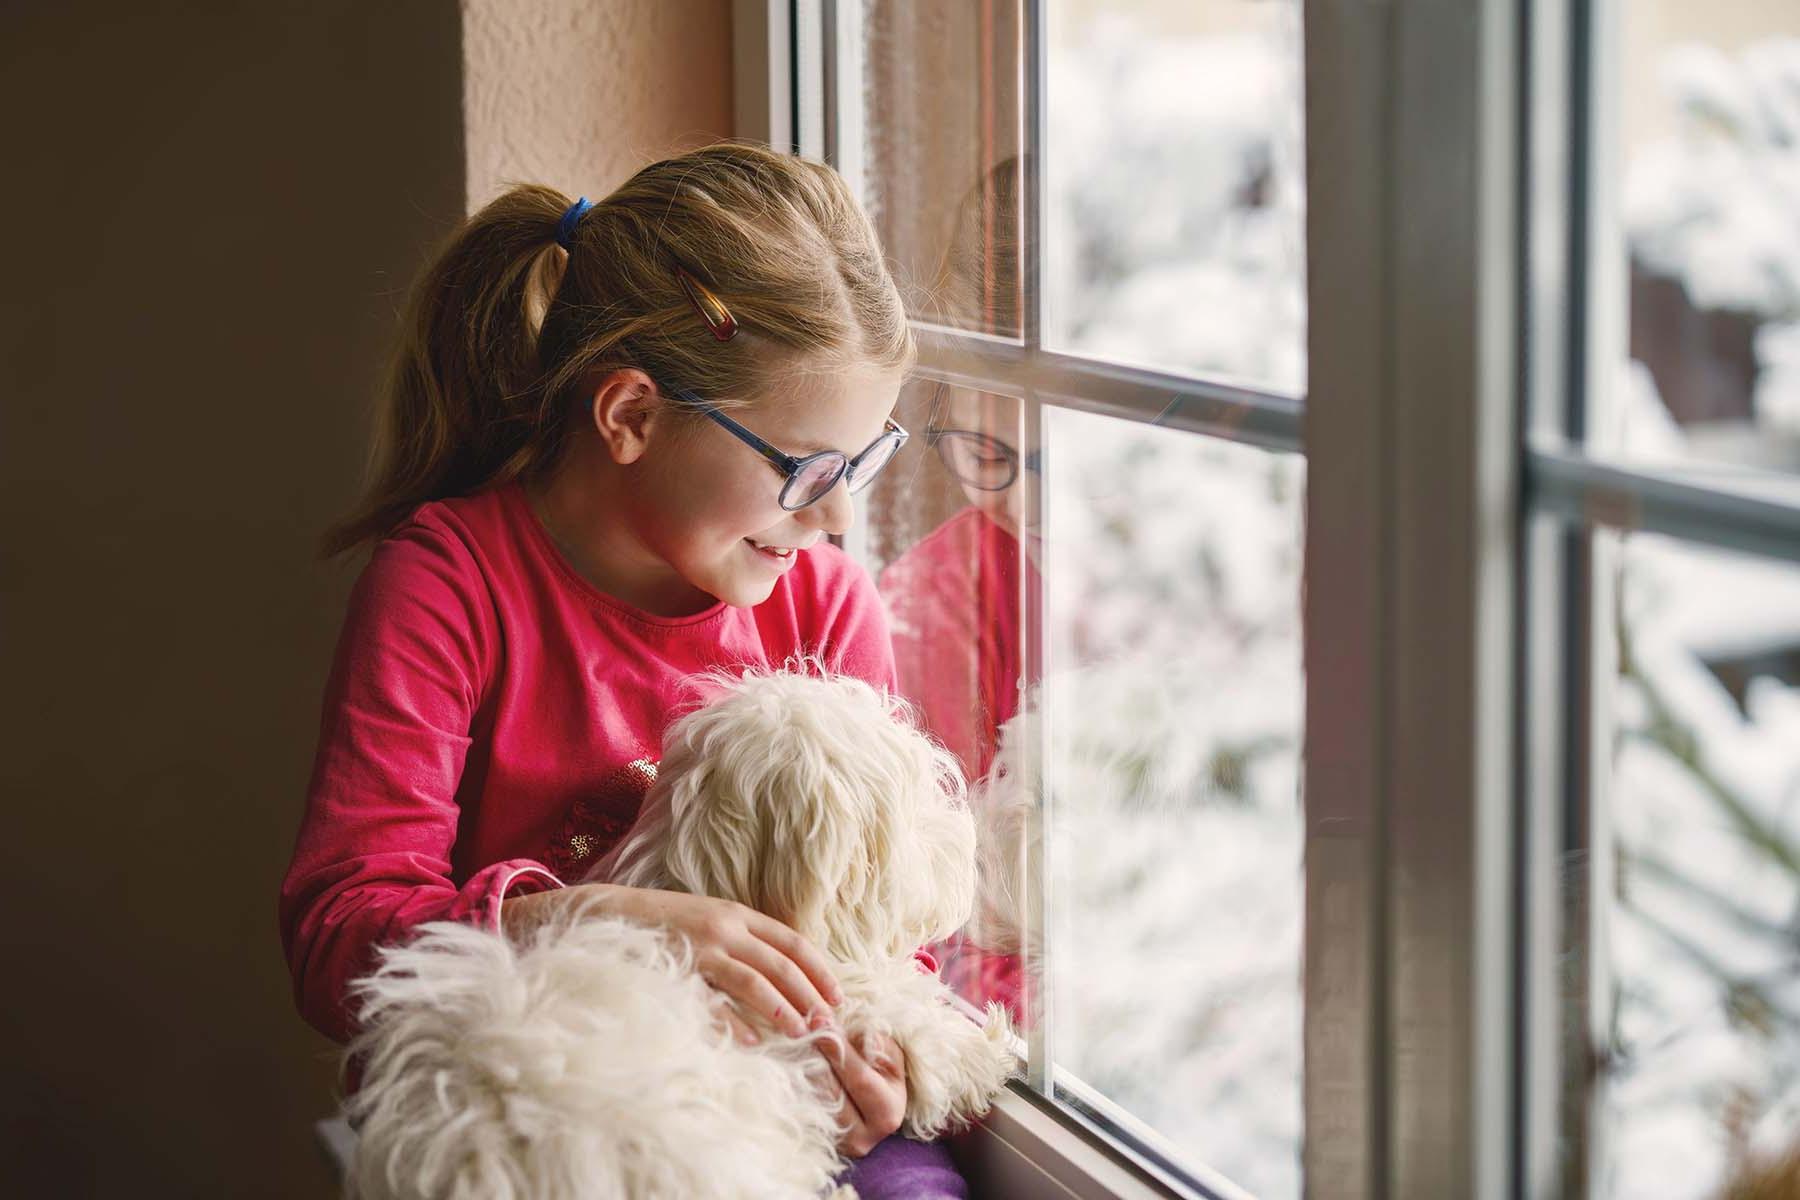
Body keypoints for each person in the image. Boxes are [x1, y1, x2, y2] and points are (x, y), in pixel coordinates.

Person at [278, 142, 967, 1197]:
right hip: (544, 1118)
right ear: (632, 416)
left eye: (866, 463)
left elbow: (891, 916)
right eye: (809, 471)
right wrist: (590, 917)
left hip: (773, 1097)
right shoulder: (447, 585)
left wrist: (875, 1050)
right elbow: (340, 941)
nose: (837, 516)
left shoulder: (824, 600)